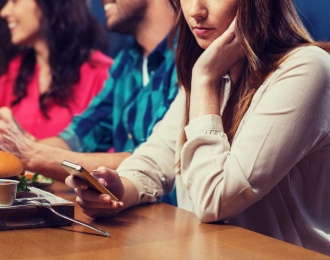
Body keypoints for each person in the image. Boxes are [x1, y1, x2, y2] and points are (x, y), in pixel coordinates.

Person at [64, 0, 330, 255]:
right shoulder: (214, 70)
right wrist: (116, 190)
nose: (195, 11)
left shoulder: (306, 68)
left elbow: (214, 200)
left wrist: (204, 80)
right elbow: (155, 159)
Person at [0, 0, 178, 189]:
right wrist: (17, 144)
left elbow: (157, 160)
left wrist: (27, 151)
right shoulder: (127, 62)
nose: (4, 11)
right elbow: (78, 137)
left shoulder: (188, 60)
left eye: (15, 0)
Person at [0, 0, 112, 140]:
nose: (4, 12)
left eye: (15, 1)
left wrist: (26, 145)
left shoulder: (103, 73)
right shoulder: (14, 70)